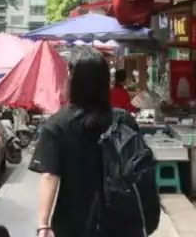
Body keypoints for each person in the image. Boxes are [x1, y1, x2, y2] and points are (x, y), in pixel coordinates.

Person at [31, 49, 148, 237]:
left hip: (74, 225)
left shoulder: (57, 125)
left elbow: (49, 176)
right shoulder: (124, 120)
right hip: (123, 224)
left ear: (73, 80)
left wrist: (43, 224)